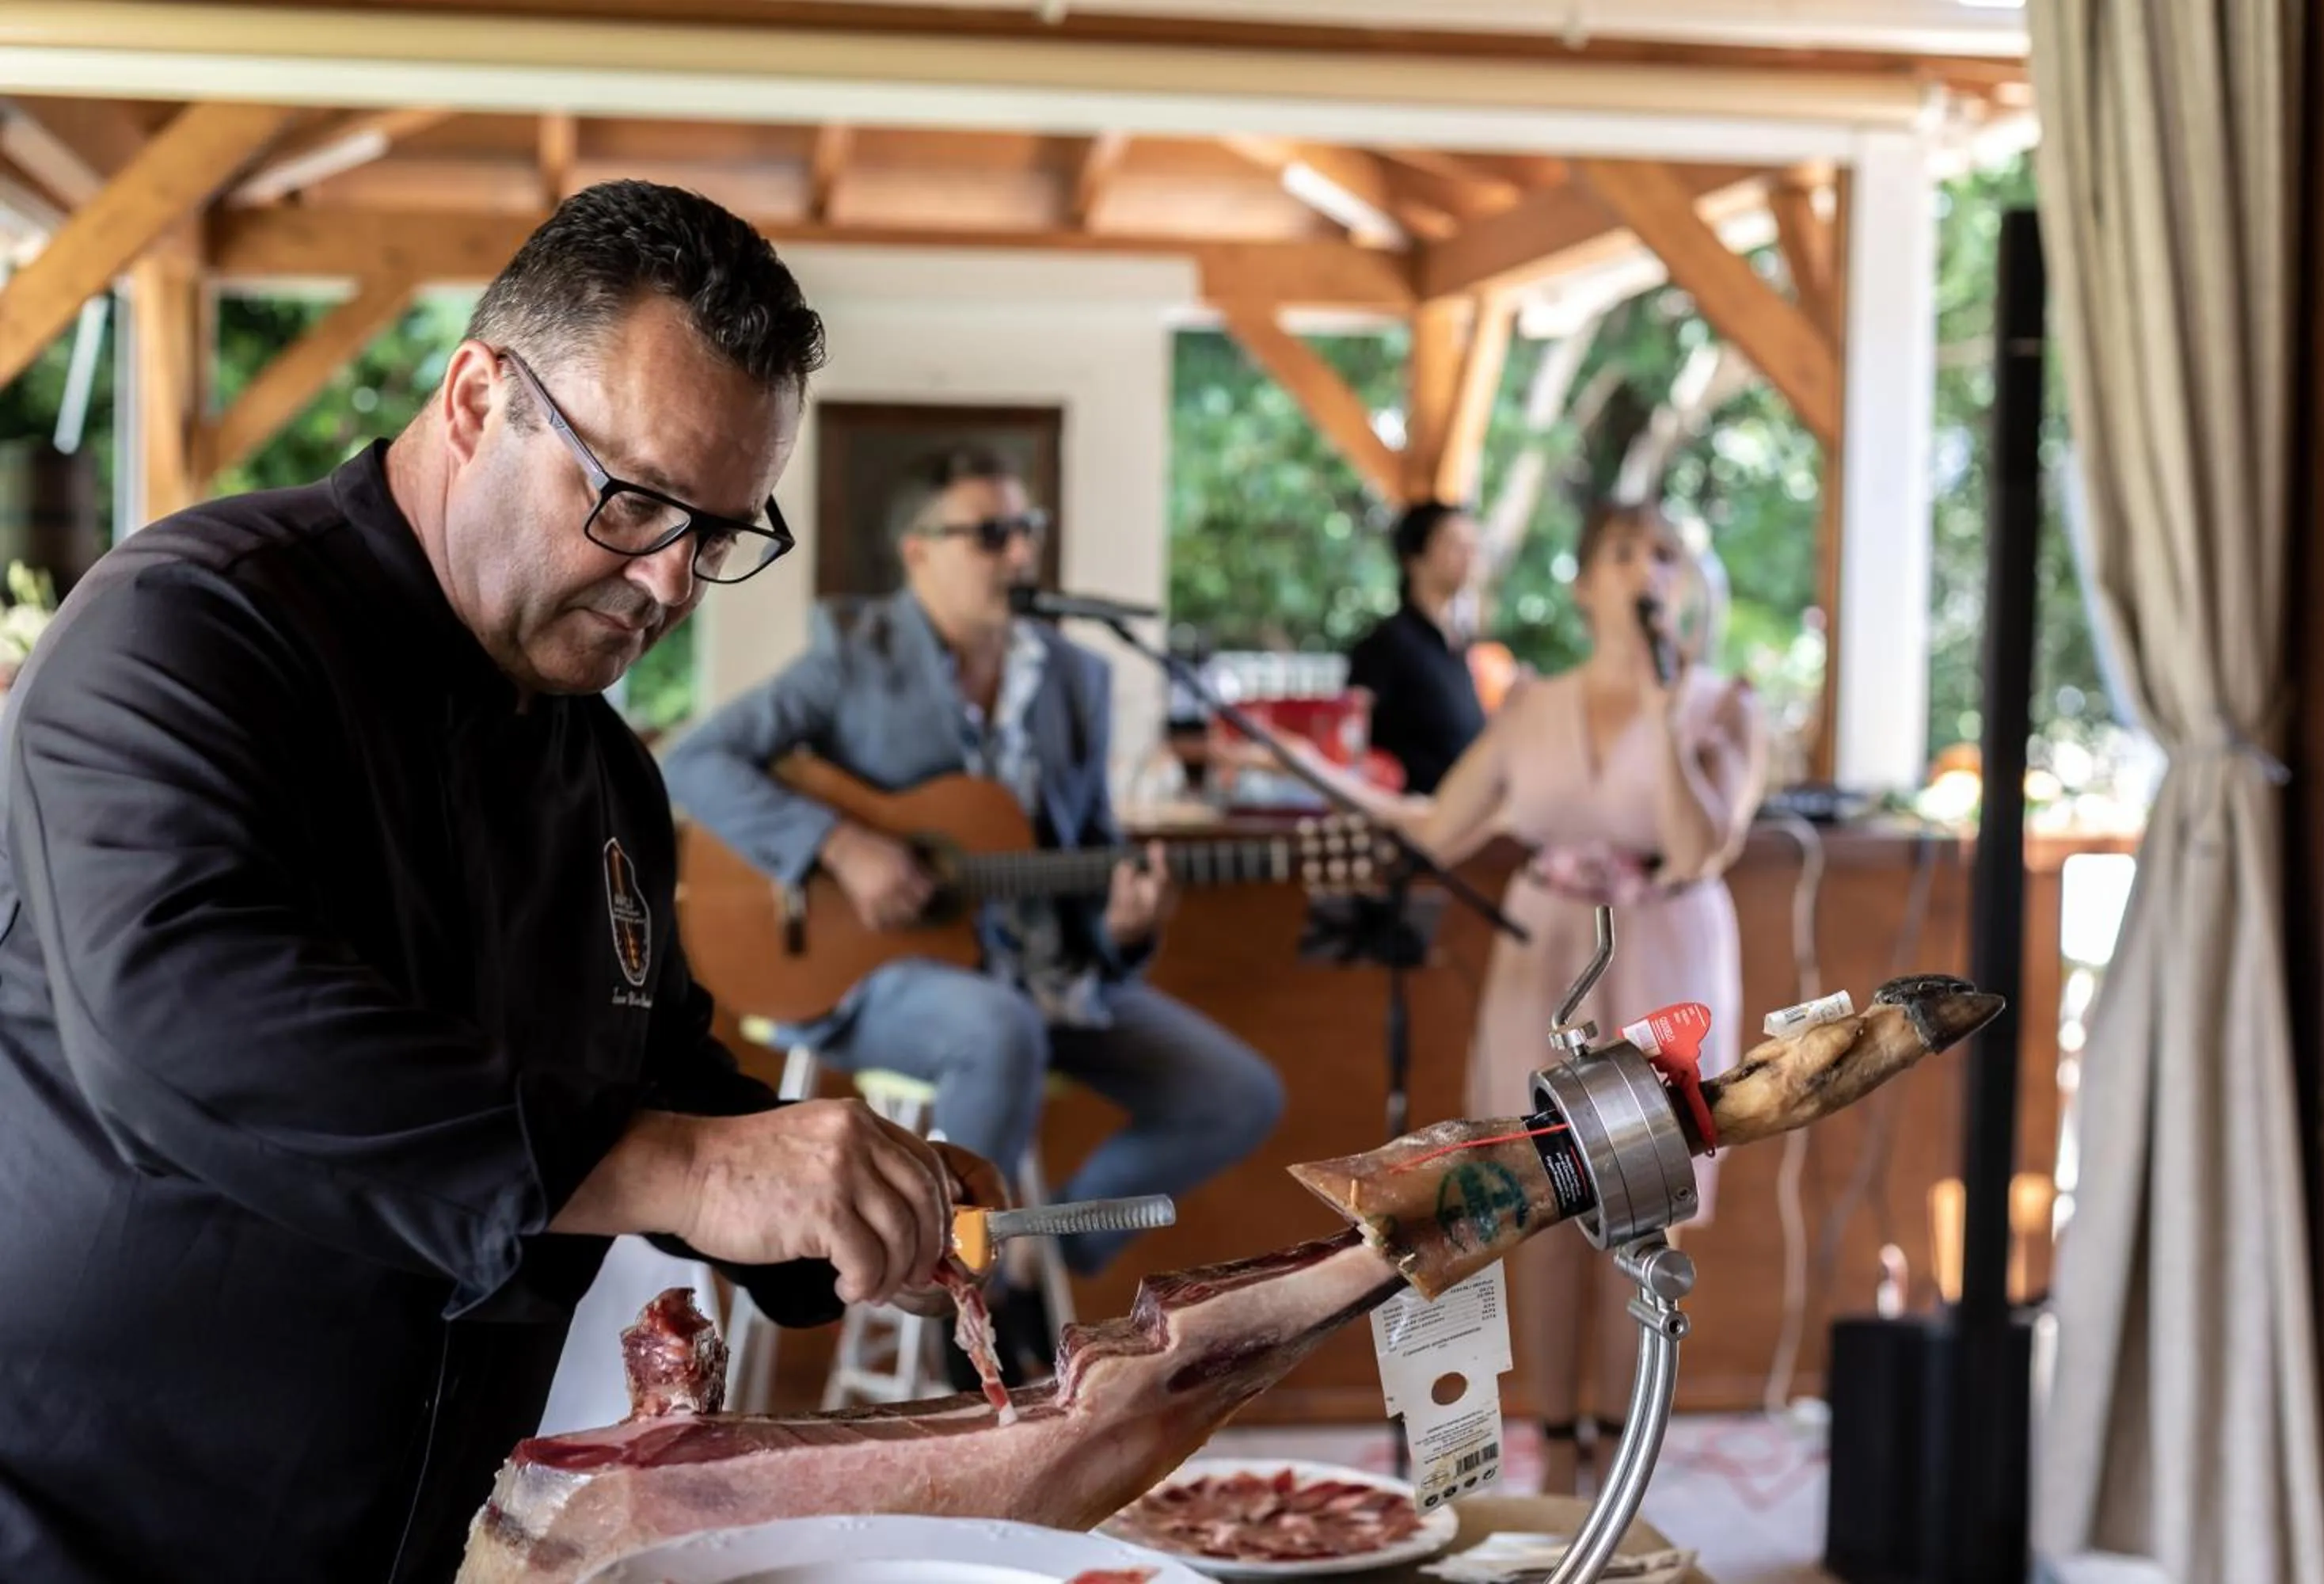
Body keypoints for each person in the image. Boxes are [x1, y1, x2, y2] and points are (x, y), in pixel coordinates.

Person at [0, 181, 1005, 1584]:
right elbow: (180, 1017)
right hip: (96, 1523)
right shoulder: (191, 627)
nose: (673, 588)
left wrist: (837, 1199)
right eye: (636, 503)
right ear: (479, 399)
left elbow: (647, 1078)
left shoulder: (607, 773)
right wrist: (689, 1168)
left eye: (719, 535)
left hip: (428, 1537)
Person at [662, 447, 1286, 1371]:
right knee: (998, 1028)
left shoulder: (1074, 678)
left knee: (1234, 1092)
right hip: (883, 976)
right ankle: (961, 1302)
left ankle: (1025, 1256)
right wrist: (840, 844)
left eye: (1026, 529)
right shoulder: (855, 657)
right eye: (991, 533)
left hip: (1045, 980)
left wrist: (1123, 927)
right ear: (919, 549)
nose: (1019, 552)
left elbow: (1088, 848)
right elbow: (694, 760)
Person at [1276, 499, 1764, 1495]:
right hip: (1542, 956)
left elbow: (1701, 846)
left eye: (1664, 555)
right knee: (1541, 1195)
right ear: (1582, 584)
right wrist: (1301, 764)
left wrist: (1664, 710)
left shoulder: (1723, 707)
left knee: (1645, 1206)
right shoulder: (1532, 704)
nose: (1645, 571)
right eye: (1621, 552)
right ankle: (1556, 1449)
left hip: (1664, 954)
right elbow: (1435, 826)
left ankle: (1625, 1451)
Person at [1345, 500, 1489, 796]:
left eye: (1472, 546)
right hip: (1407, 812)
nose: (1468, 555)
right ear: (1414, 557)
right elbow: (1350, 734)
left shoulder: (1456, 643)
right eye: (1454, 544)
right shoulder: (1387, 642)